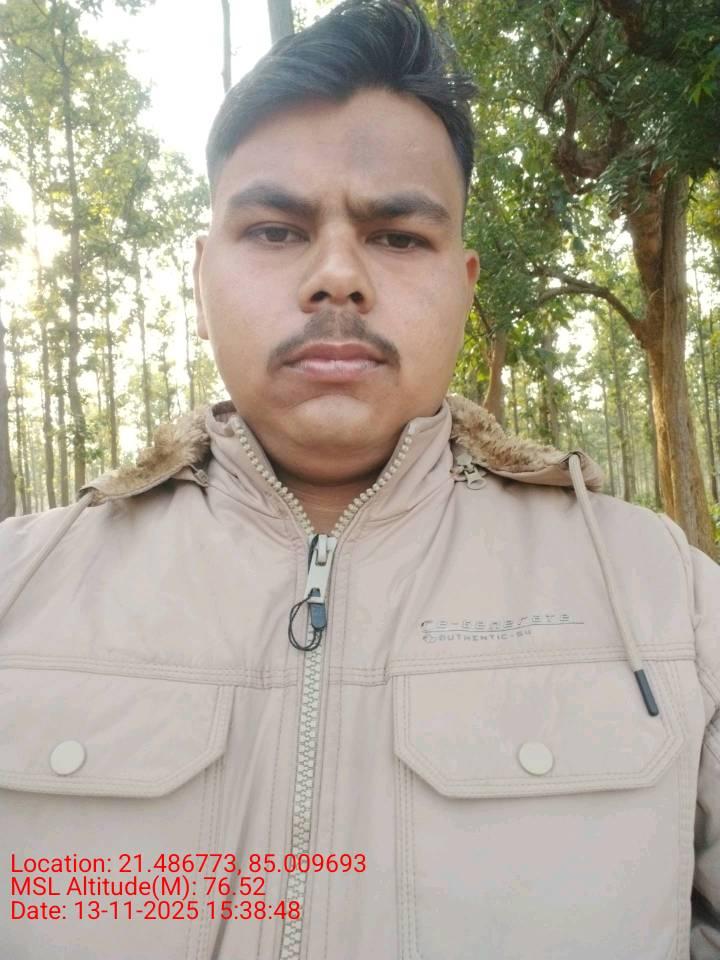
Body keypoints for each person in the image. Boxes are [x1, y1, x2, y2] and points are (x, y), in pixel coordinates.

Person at [1, 0, 719, 957]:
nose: (337, 276)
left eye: (397, 236)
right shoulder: (20, 587)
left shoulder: (667, 603)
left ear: (465, 284)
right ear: (201, 281)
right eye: (274, 231)